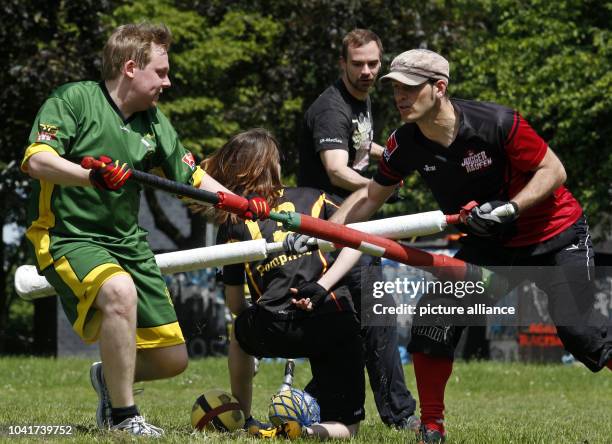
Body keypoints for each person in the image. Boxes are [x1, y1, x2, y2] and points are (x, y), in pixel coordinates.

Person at [303, 48, 612, 443]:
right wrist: (320, 233)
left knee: (580, 333)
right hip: (492, 247)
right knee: (434, 319)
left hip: (556, 235)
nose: (400, 97)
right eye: (396, 88)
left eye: (410, 89)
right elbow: (369, 199)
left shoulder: (497, 123)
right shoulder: (404, 144)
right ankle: (431, 428)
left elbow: (554, 170)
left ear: (439, 88)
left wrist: (511, 208)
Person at [20, 23, 269, 437]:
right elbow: (37, 161)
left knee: (173, 360)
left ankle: (107, 380)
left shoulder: (153, 121)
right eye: (162, 72)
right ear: (132, 68)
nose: (168, 82)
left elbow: (191, 176)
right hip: (67, 236)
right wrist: (91, 177)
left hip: (126, 244)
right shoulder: (72, 100)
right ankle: (123, 417)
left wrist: (241, 205)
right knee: (119, 291)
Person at [297, 28, 419, 431]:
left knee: (350, 324)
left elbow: (362, 148)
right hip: (334, 227)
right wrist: (382, 186)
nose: (367, 71)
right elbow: (335, 167)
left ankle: (307, 403)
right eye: (358, 64)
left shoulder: (361, 102)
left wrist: (399, 159)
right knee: (376, 317)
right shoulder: (332, 108)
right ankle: (400, 417)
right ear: (342, 64)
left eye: (373, 63)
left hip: (350, 220)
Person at [209, 128, 366, 439]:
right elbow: (356, 242)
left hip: (272, 325)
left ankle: (242, 417)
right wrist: (322, 288)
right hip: (331, 320)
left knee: (240, 333)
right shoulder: (317, 197)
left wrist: (253, 320)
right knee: (348, 427)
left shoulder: (234, 222)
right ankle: (307, 432)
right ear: (275, 166)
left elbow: (234, 305)